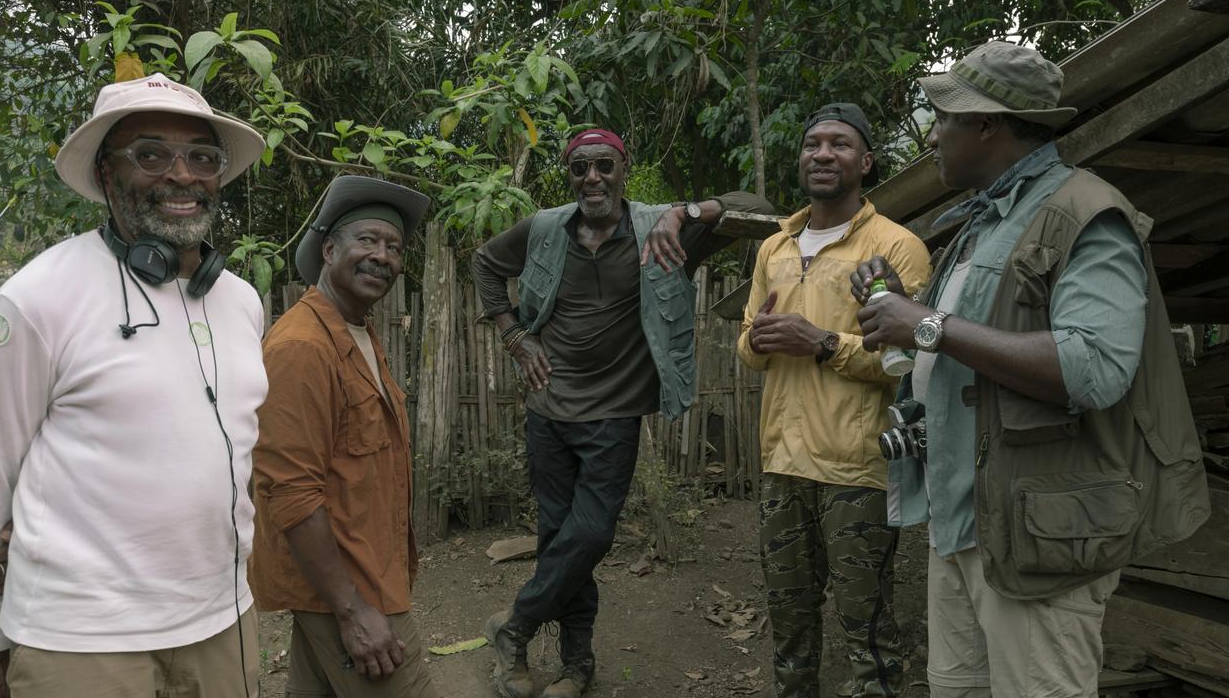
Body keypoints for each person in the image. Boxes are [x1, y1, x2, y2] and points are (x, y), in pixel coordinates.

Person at [852, 41, 1210, 697]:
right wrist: (893, 305)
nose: (933, 137)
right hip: (961, 523)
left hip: (1036, 537)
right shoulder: (976, 225)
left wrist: (927, 323)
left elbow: (1095, 366)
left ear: (985, 124)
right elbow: (938, 355)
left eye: (945, 118)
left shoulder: (1083, 212)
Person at [0, 73, 268, 697]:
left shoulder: (242, 301)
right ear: (107, 175)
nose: (182, 174)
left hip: (225, 622)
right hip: (80, 640)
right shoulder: (35, 301)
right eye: (151, 154)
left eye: (201, 156)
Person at [472, 128, 774, 698]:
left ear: (623, 169)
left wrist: (683, 212)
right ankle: (577, 665)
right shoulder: (543, 229)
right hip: (547, 410)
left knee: (590, 533)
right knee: (562, 536)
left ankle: (514, 627)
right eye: (580, 167)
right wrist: (514, 337)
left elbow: (760, 212)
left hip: (612, 414)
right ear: (569, 174)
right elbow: (485, 264)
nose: (593, 178)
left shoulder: (664, 229)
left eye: (604, 166)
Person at [736, 104, 929, 698]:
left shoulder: (898, 247)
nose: (822, 154)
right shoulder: (775, 247)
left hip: (858, 470)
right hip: (781, 465)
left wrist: (820, 342)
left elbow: (914, 363)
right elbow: (748, 346)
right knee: (790, 628)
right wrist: (759, 341)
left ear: (865, 161)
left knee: (867, 630)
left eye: (840, 145)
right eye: (812, 143)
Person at [250, 174, 439, 698]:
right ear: (329, 249)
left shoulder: (355, 329)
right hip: (352, 588)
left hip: (355, 573)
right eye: (368, 241)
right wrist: (353, 611)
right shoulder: (302, 347)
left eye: (394, 247)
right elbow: (290, 491)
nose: (382, 256)